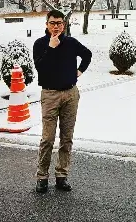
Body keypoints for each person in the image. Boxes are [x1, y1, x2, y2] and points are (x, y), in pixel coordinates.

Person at [33, 10, 92, 193]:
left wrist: (79, 71)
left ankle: (62, 175)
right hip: (50, 94)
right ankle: (42, 176)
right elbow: (40, 68)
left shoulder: (71, 43)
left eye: (59, 23)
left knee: (67, 138)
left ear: (64, 25)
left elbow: (87, 54)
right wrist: (51, 47)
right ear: (46, 24)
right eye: (52, 23)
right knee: (48, 139)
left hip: (70, 94)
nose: (56, 26)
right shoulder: (40, 44)